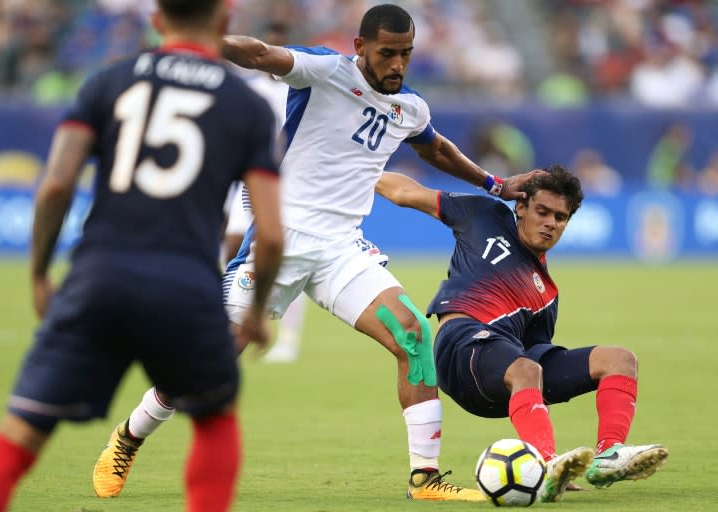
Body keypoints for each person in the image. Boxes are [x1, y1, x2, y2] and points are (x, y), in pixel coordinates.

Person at [93, 3, 538, 501]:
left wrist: (495, 183)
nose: (397, 64)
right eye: (387, 53)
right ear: (361, 48)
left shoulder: (410, 107)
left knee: (412, 335)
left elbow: (433, 148)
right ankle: (129, 436)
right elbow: (260, 53)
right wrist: (196, 42)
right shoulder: (325, 71)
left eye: (406, 54)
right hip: (279, 238)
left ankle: (426, 478)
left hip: (341, 249)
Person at [0, 1, 284, 511]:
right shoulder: (248, 106)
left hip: (98, 275)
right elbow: (272, 233)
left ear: (156, 22)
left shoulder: (109, 81)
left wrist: (40, 274)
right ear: (222, 24)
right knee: (215, 423)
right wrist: (257, 311)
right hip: (186, 285)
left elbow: (57, 184)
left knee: (17, 438)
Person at [375, 166, 669, 503]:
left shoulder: (547, 293)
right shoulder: (483, 215)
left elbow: (535, 364)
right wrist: (360, 172)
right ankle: (545, 464)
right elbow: (404, 192)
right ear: (521, 207)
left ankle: (607, 456)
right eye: (542, 212)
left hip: (501, 372)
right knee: (526, 368)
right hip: (460, 346)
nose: (550, 223)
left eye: (561, 217)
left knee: (619, 359)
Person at [223, 21, 308, 364]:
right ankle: (230, 319)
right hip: (245, 178)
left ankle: (287, 339)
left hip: (283, 182)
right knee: (231, 244)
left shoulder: (297, 88)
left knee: (286, 256)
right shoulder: (246, 89)